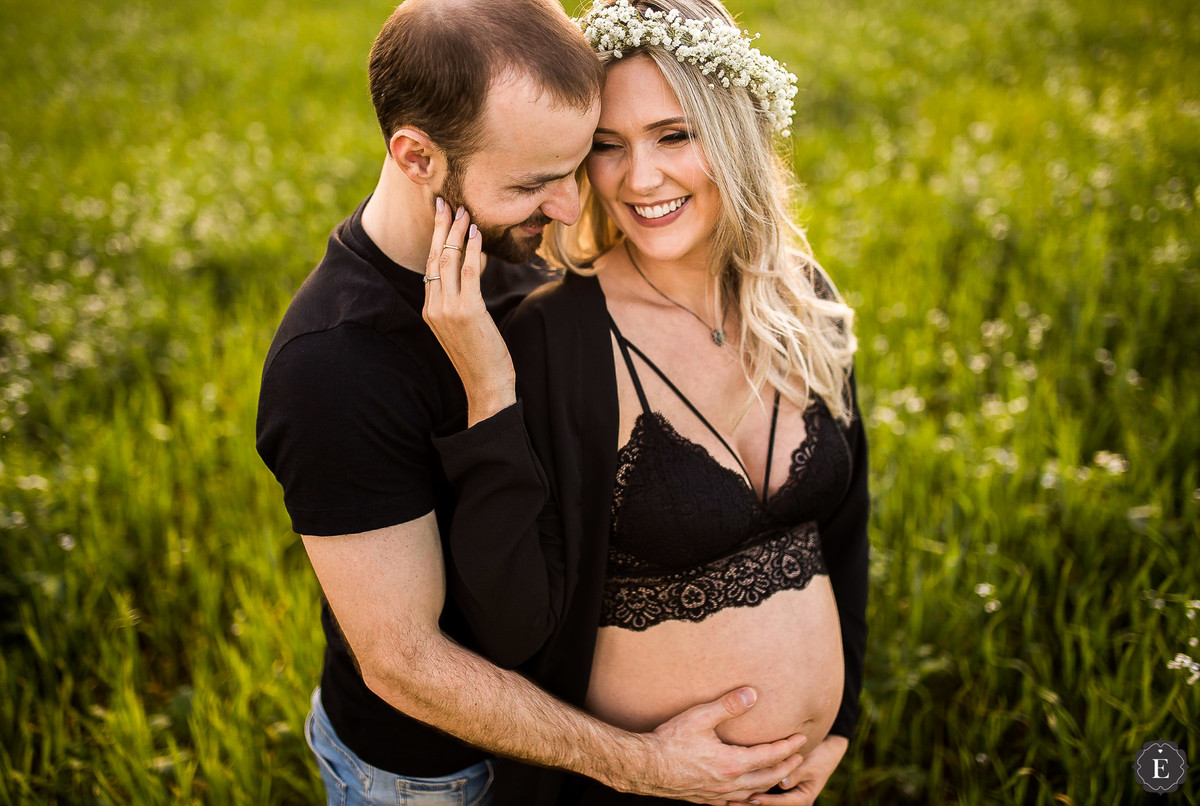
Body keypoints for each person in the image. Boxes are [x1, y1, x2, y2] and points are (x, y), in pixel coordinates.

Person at [256, 1, 810, 804]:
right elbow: (406, 664)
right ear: (417, 157)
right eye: (531, 183)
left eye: (573, 166)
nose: (569, 209)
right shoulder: (333, 368)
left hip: (565, 749)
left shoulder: (517, 246)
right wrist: (645, 765)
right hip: (434, 776)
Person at [428, 1, 870, 803]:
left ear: (732, 133)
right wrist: (489, 394)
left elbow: (845, 536)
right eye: (608, 146)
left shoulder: (799, 298)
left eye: (673, 135)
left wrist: (839, 726)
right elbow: (509, 624)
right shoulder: (555, 338)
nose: (639, 178)